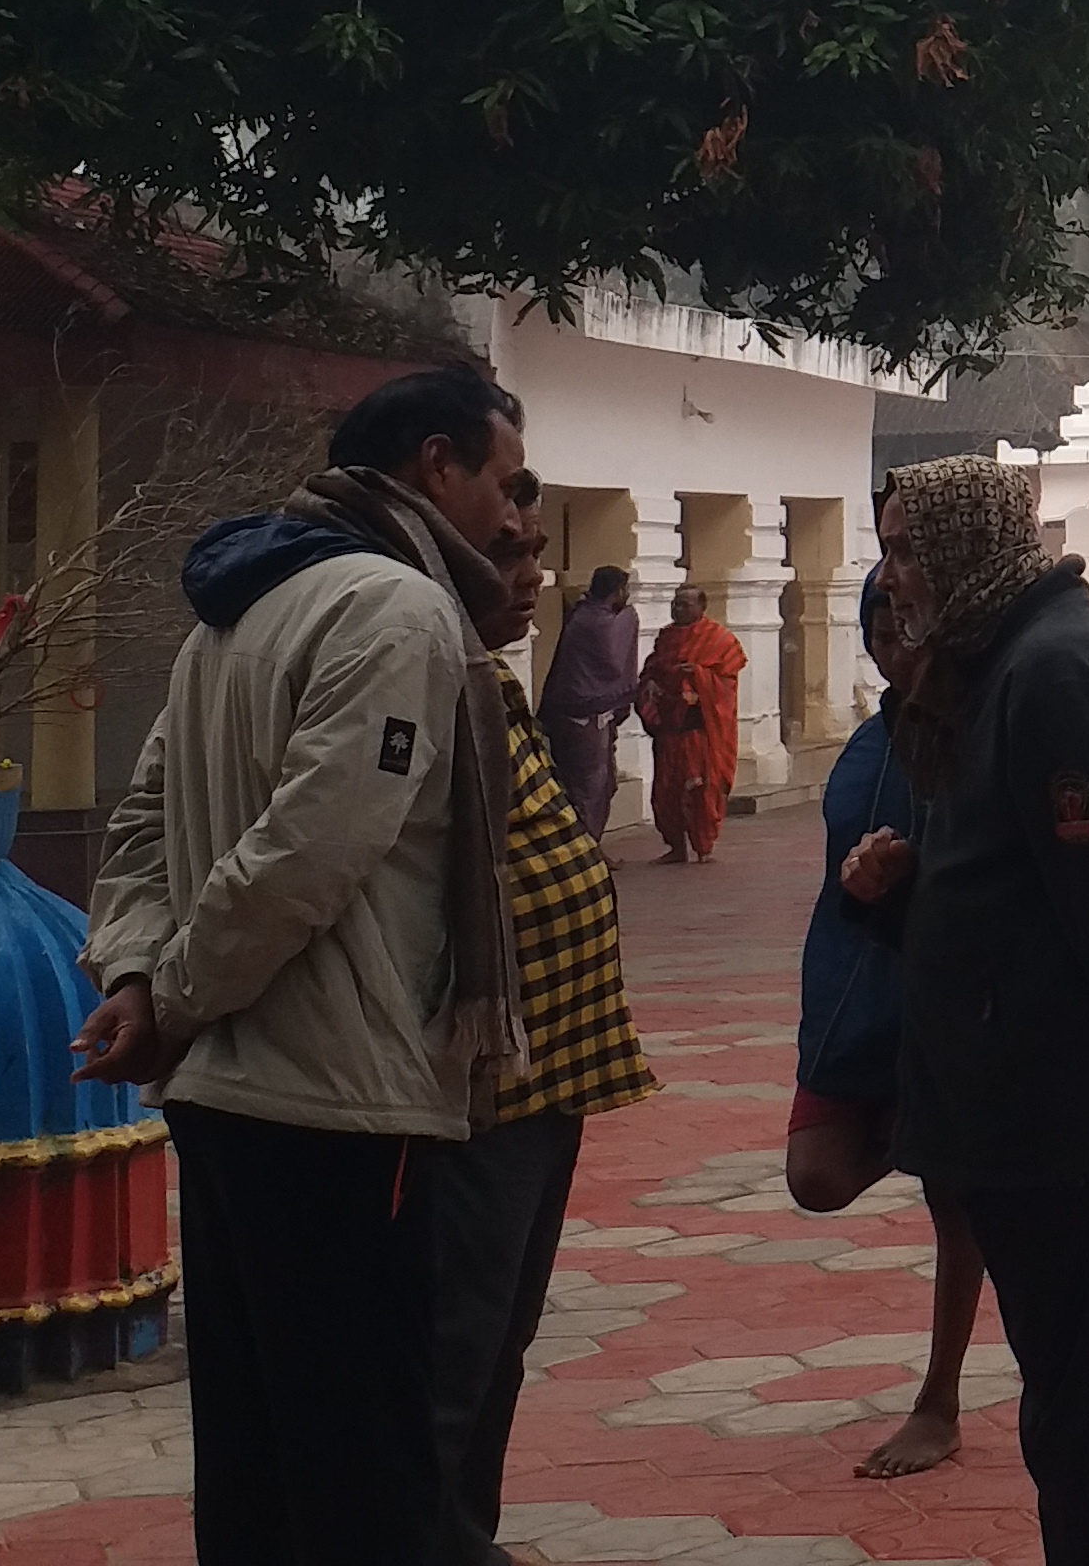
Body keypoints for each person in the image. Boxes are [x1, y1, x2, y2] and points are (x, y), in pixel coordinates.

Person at [73, 363, 541, 1566]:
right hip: (339, 1101)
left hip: (231, 1095)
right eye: (505, 481)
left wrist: (136, 977)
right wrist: (165, 994)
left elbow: (139, 825)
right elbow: (313, 849)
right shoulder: (394, 612)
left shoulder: (235, 613)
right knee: (362, 1467)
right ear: (436, 466)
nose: (520, 517)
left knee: (255, 1456)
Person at [882, 456, 1089, 1566]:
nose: (897, 582)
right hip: (1012, 1092)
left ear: (966, 549)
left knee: (1087, 1396)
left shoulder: (1053, 670)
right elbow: (1004, 884)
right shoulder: (1000, 663)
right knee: (1066, 1388)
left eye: (909, 552)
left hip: (1051, 1102)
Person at [432, 538, 658, 1566]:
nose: (534, 579)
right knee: (457, 1336)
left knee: (500, 1336)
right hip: (475, 1076)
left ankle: (464, 1528)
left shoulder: (497, 682)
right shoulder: (433, 680)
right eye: (509, 552)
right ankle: (430, 1531)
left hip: (549, 1065)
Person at [788, 507, 987, 1480]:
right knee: (815, 1175)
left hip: (948, 999)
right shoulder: (868, 745)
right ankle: (917, 1140)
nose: (890, 641)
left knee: (957, 1205)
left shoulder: (979, 733)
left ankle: (939, 1401)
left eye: (905, 621)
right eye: (877, 623)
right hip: (853, 987)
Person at [636, 585, 745, 865]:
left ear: (702, 605)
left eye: (685, 604)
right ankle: (675, 847)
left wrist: (698, 675)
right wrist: (652, 685)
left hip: (700, 730)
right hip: (669, 729)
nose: (678, 609)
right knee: (666, 791)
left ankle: (703, 846)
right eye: (675, 604)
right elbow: (652, 669)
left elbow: (726, 683)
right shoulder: (666, 637)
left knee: (701, 790)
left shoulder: (720, 640)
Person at [533, 566, 642, 834]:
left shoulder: (580, 615)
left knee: (603, 785)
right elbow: (613, 662)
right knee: (587, 788)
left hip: (589, 713)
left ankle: (591, 846)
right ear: (618, 590)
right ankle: (584, 848)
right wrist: (629, 617)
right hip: (582, 716)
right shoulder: (598, 621)